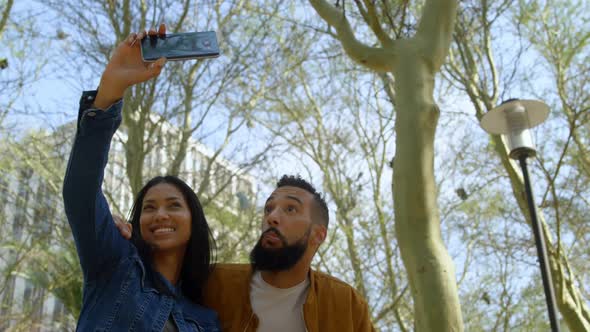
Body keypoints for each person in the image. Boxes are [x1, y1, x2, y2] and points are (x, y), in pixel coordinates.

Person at [62, 24, 221, 331]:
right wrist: (112, 89)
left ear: (194, 220)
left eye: (173, 205)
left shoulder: (205, 320)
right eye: (148, 207)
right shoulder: (115, 264)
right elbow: (80, 193)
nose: (159, 214)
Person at [117, 175, 376, 332]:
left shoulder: (346, 305)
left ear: (318, 235)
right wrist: (123, 235)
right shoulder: (215, 282)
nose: (272, 217)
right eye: (269, 209)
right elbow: (150, 285)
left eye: (290, 210)